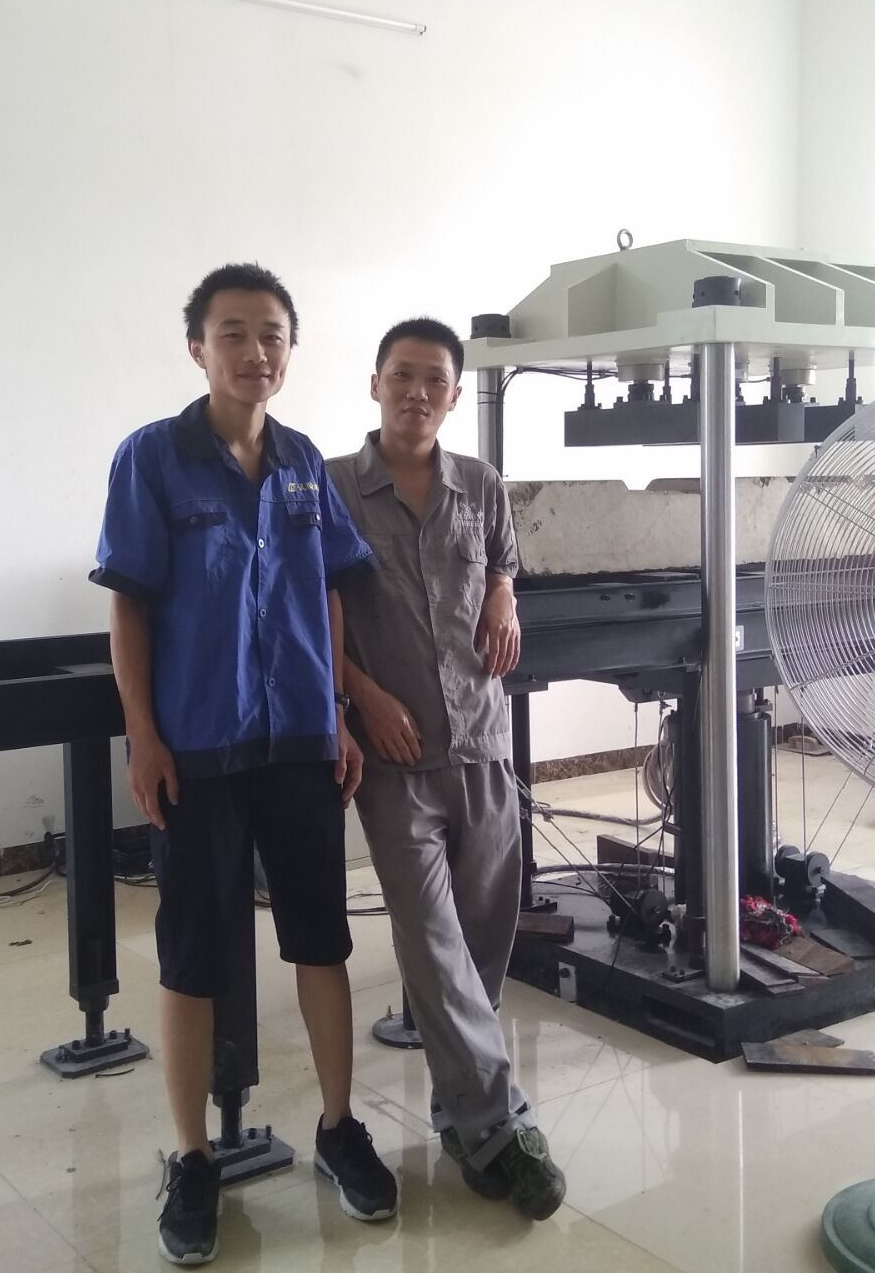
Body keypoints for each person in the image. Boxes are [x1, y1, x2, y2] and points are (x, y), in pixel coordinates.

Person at [91, 263, 398, 1265]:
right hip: (198, 749)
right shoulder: (153, 459)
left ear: (289, 349)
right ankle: (191, 1159)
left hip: (301, 743)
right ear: (198, 348)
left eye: (272, 334)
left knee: (321, 941)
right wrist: (142, 734)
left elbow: (328, 592)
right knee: (192, 955)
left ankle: (339, 1127)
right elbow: (130, 606)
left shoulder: (305, 463)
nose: (255, 351)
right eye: (233, 333)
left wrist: (338, 711)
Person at [325, 317, 568, 1221]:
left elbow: (502, 562)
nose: (417, 392)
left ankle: (459, 1111)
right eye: (402, 375)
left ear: (456, 395)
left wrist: (504, 592)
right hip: (397, 758)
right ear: (375, 383)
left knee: (483, 939)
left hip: (482, 741)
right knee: (431, 942)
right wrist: (359, 696)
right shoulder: (336, 488)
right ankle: (503, 1127)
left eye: (435, 379)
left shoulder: (481, 483)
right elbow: (313, 610)